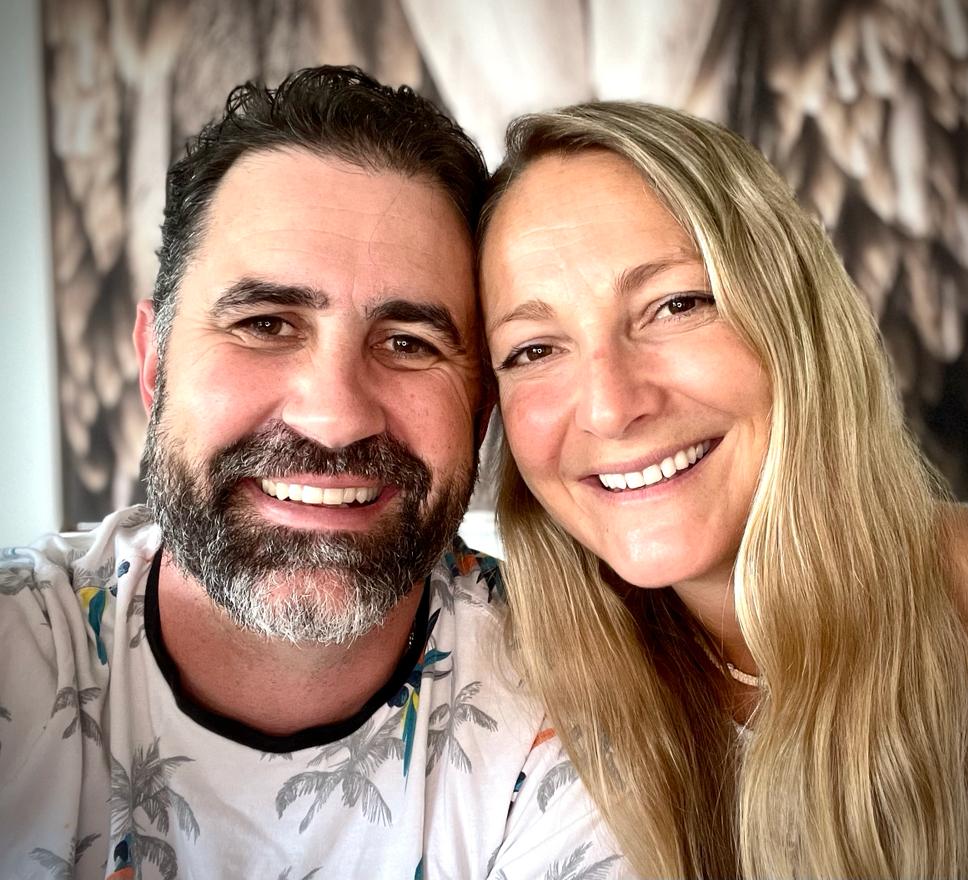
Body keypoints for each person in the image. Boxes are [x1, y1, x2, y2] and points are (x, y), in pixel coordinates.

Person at [0, 67, 629, 880]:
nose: (335, 416)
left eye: (408, 342)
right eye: (265, 324)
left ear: (480, 409)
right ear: (155, 365)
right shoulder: (17, 649)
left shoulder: (585, 693)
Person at [478, 101, 968, 879]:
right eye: (534, 349)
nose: (609, 407)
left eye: (675, 305)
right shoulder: (513, 692)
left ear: (792, 315)